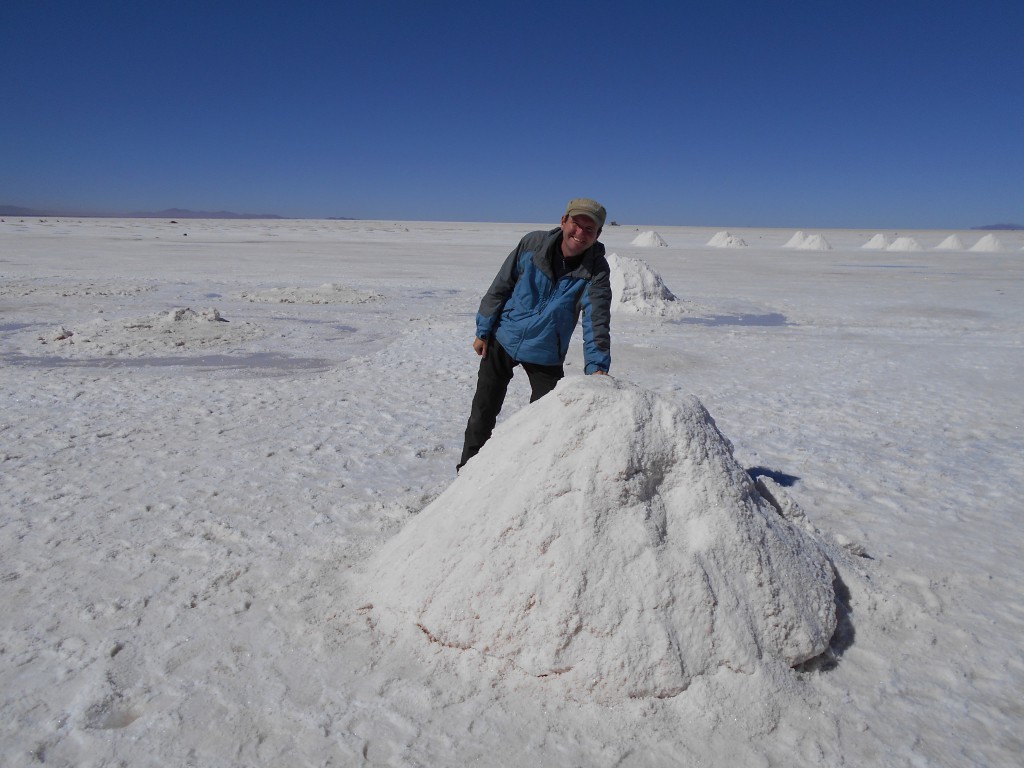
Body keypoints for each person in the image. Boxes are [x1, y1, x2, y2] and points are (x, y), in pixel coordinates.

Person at [457, 198, 612, 471]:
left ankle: (527, 477)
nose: (581, 233)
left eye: (590, 229)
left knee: (545, 422)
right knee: (482, 414)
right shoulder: (532, 245)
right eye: (577, 224)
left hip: (546, 350)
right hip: (504, 337)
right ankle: (467, 473)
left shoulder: (596, 271)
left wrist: (597, 368)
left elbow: (596, 319)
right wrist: (483, 330)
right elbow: (501, 286)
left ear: (597, 235)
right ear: (564, 221)